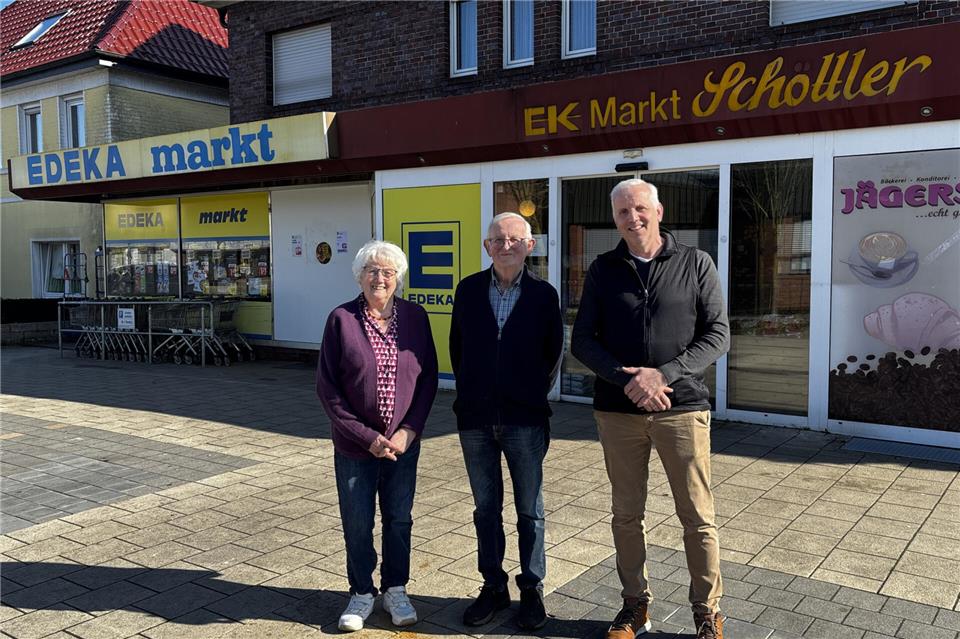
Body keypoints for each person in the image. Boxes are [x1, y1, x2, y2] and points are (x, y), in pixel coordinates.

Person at [571, 179, 730, 639]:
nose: (632, 217)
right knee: (626, 514)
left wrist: (663, 375)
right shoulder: (603, 269)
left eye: (640, 208)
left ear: (658, 212)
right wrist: (629, 381)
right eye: (623, 211)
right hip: (618, 412)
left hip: (681, 409)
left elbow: (718, 334)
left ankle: (707, 611)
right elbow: (582, 340)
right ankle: (635, 605)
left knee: (697, 516)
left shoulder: (695, 262)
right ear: (615, 219)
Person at [316, 240, 438, 632]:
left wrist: (409, 430)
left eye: (387, 272)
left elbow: (428, 380)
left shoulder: (416, 317)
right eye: (372, 271)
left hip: (403, 446)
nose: (379, 278)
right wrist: (365, 436)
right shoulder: (341, 319)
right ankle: (361, 591)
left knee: (399, 519)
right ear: (360, 276)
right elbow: (328, 389)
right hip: (355, 447)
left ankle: (395, 588)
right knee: (357, 522)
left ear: (398, 277)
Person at [449, 212, 564, 631]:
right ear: (487, 246)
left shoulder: (544, 295)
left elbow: (553, 353)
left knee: (530, 510)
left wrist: (529, 395)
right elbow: (458, 350)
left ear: (530, 246)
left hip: (524, 420)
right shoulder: (467, 290)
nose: (506, 245)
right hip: (476, 419)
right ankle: (493, 586)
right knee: (485, 509)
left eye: (515, 239)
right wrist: (472, 394)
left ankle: (531, 588)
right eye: (497, 239)